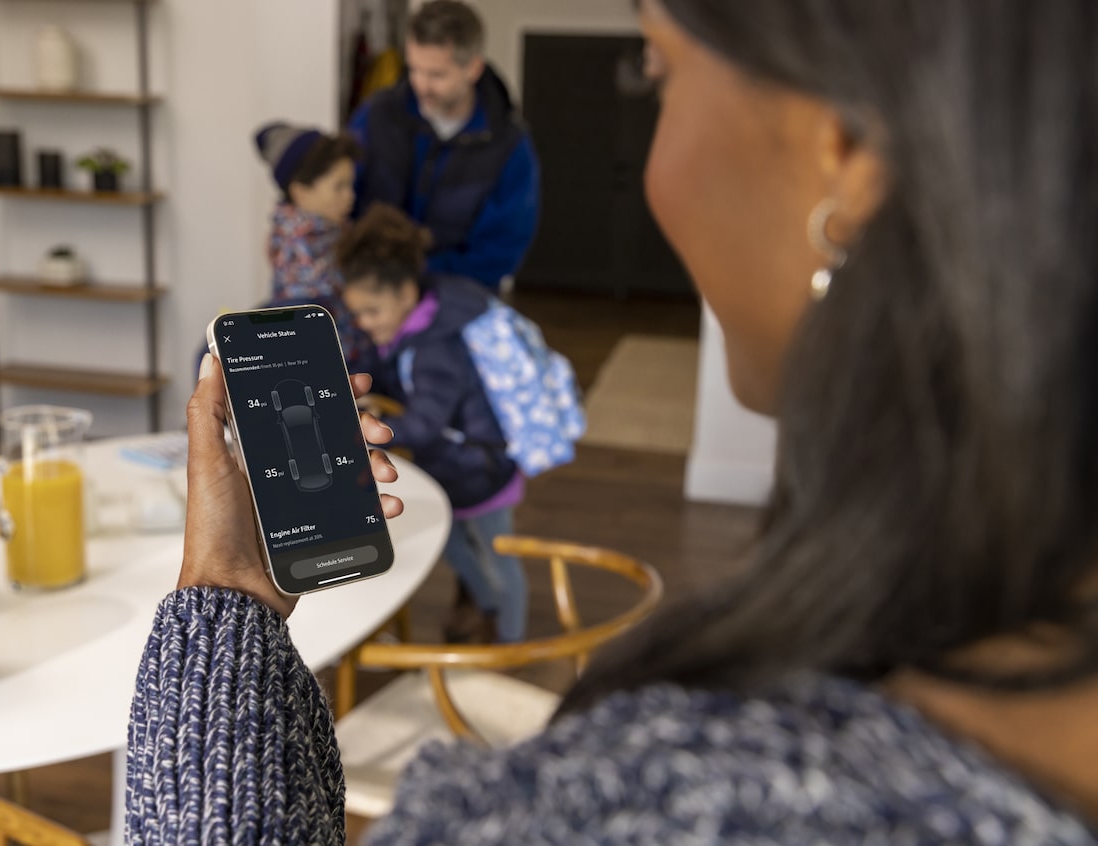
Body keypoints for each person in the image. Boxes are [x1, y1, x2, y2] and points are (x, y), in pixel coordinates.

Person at [127, 0, 1098, 842]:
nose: (652, 167)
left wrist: (224, 604)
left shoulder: (674, 802)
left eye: (656, 70)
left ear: (840, 151)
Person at [338, 203, 527, 645]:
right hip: (451, 467)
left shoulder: (437, 348)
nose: (365, 324)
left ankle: (512, 646)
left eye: (372, 311)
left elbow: (423, 422)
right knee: (454, 546)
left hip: (483, 471)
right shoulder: (413, 327)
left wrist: (373, 427)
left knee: (500, 559)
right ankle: (489, 609)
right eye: (358, 314)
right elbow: (390, 371)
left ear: (405, 293)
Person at [348, 0, 540, 291]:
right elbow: (338, 195)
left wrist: (411, 274)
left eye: (436, 75)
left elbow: (499, 252)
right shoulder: (376, 116)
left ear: (473, 68)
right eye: (414, 69)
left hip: (453, 302)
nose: (421, 85)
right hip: (369, 293)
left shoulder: (509, 146)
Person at [253, 122, 369, 363]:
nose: (351, 196)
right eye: (339, 187)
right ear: (300, 192)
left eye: (350, 184)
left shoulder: (333, 230)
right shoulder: (298, 250)